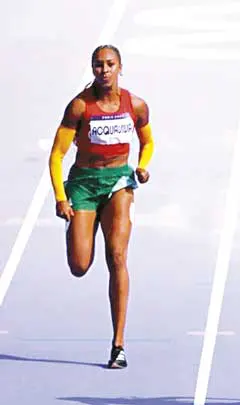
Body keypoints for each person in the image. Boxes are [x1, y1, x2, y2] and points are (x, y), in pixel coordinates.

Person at [48, 44, 155, 369]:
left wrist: (142, 167)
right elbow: (56, 155)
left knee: (117, 256)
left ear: (120, 67)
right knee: (79, 266)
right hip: (83, 184)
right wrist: (61, 197)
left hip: (119, 183)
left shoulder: (136, 105)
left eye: (110, 64)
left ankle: (118, 345)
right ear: (92, 68)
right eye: (98, 65)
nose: (104, 70)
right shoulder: (80, 107)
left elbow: (148, 141)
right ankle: (78, 224)